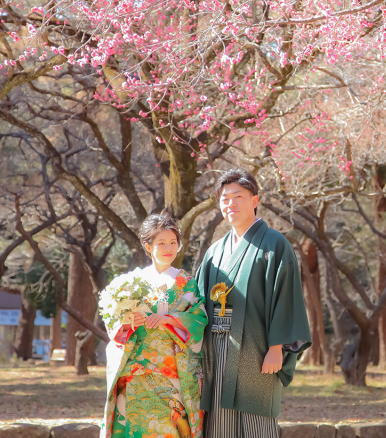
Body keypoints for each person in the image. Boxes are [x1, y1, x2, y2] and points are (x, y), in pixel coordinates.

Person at [195, 169, 312, 438]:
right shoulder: (215, 251)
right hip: (216, 347)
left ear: (255, 200)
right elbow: (198, 301)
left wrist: (276, 348)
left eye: (238, 197)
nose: (231, 204)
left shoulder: (274, 244)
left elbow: (286, 297)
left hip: (257, 348)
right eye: (225, 199)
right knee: (219, 421)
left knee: (255, 419)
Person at [102, 212, 208, 438]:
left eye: (173, 242)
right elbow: (113, 320)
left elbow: (199, 318)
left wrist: (169, 319)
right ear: (148, 246)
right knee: (134, 427)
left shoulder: (186, 283)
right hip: (136, 370)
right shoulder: (130, 283)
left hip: (173, 372)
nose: (168, 248)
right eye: (161, 243)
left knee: (170, 428)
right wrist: (129, 321)